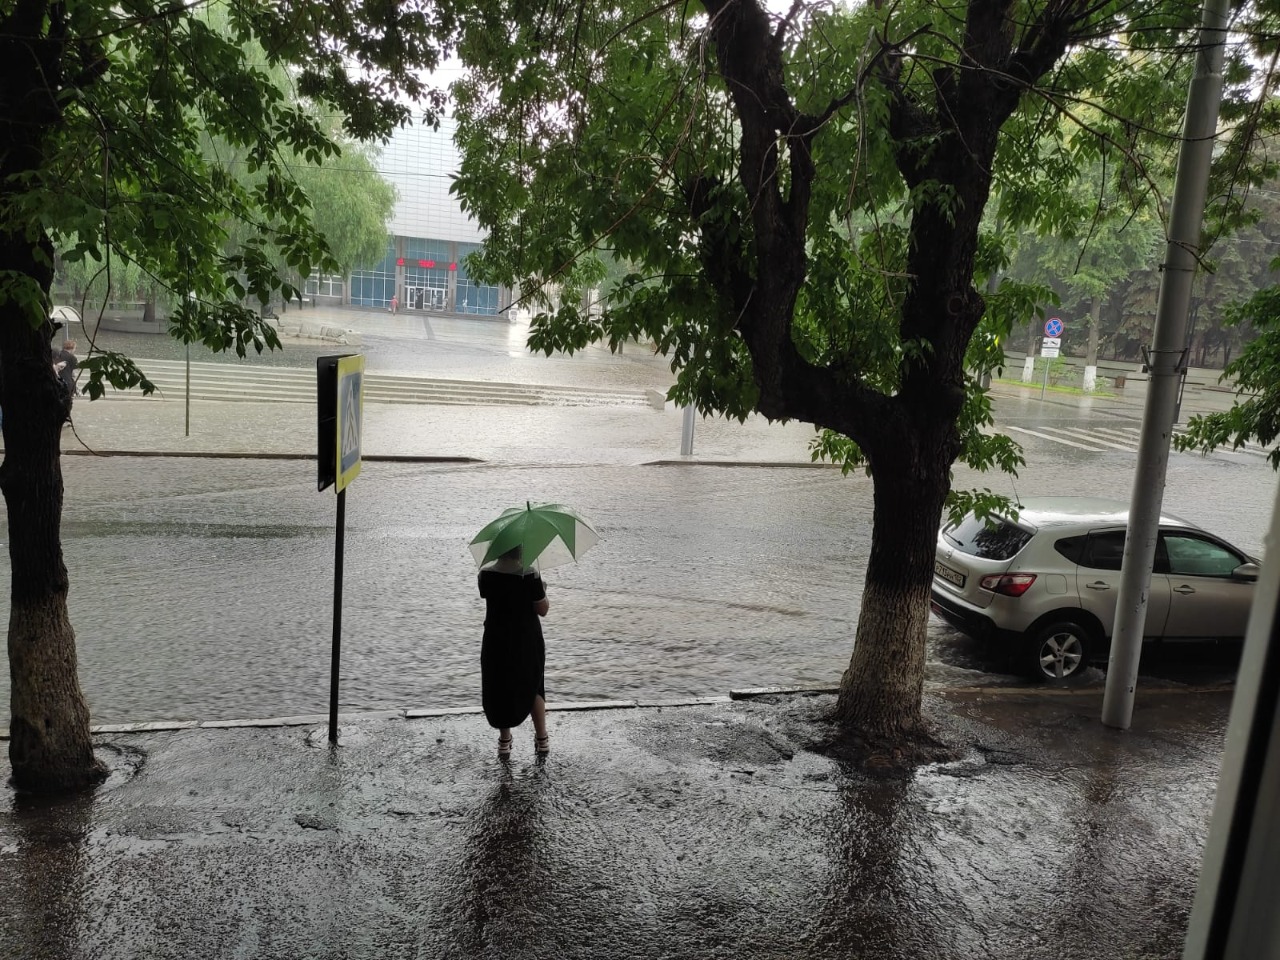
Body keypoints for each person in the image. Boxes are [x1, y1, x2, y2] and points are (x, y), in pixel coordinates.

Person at [478, 545, 550, 758]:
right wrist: (542, 589)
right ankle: (542, 739)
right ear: (521, 550)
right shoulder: (529, 573)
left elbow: (488, 596)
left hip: (495, 639)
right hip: (526, 639)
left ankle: (504, 740)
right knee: (534, 683)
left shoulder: (485, 573)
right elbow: (542, 609)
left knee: (500, 685)